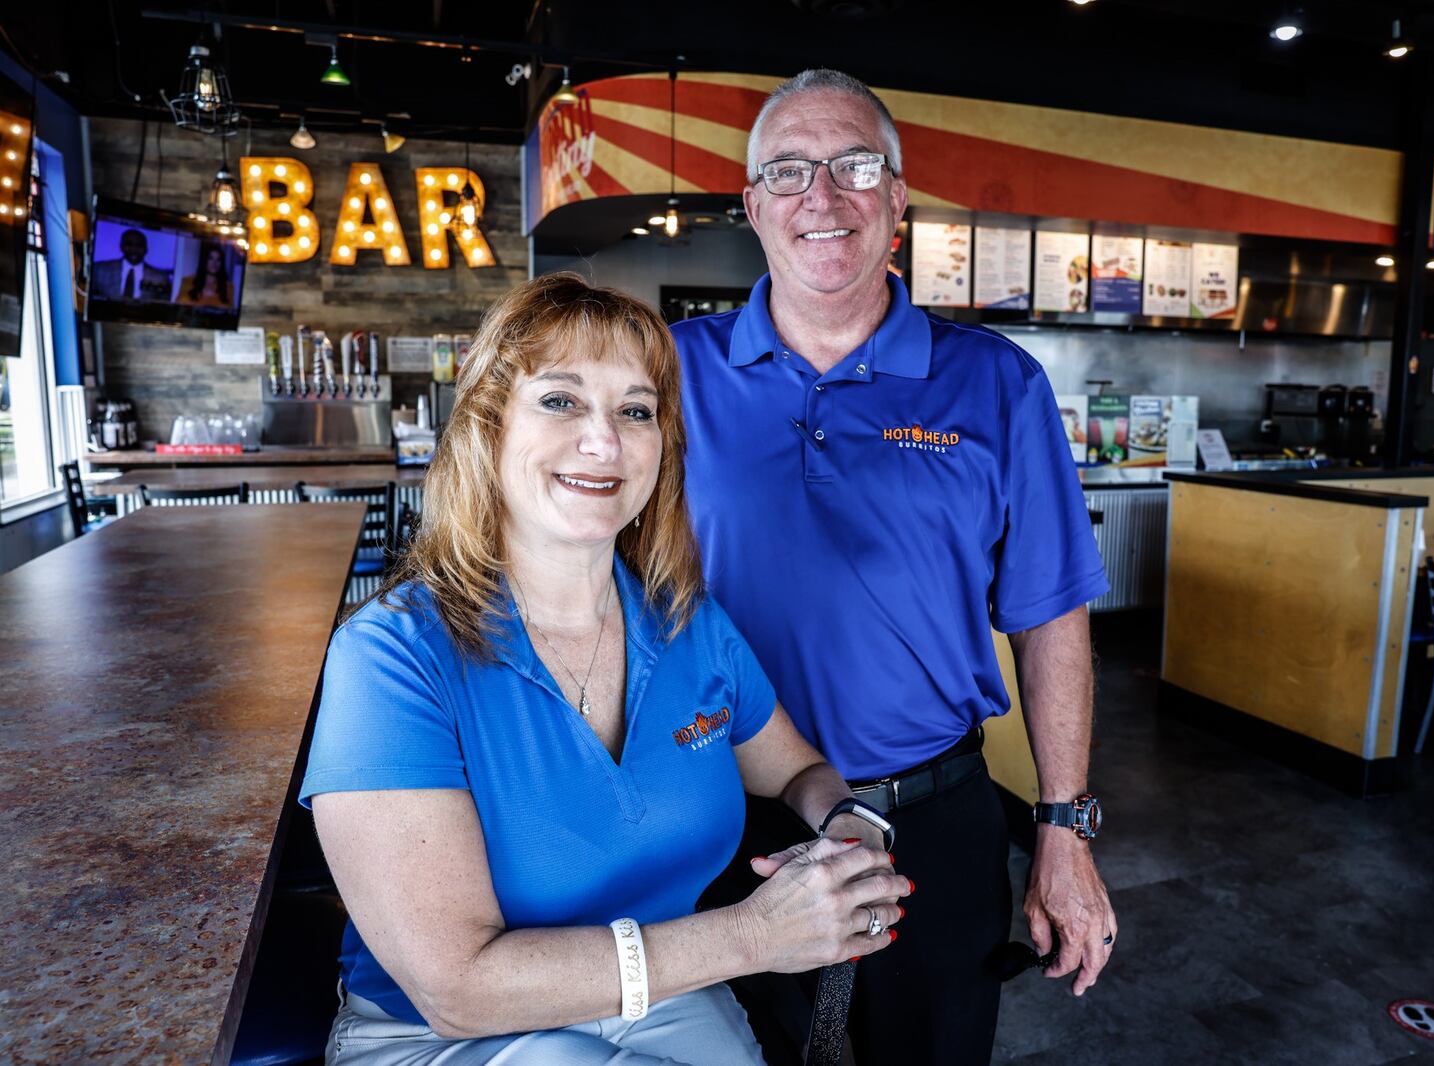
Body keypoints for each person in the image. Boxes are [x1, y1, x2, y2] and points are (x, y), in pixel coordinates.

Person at [301, 272, 909, 1065]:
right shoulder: (391, 658)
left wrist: (845, 827)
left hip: (667, 1000)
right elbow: (456, 989)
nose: (606, 441)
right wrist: (755, 936)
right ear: (487, 426)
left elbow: (796, 769)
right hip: (444, 1033)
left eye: (635, 410)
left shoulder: (690, 624)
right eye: (560, 401)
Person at [674, 69, 1117, 1065]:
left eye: (853, 166)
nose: (821, 198)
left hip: (935, 822)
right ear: (751, 207)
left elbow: (1051, 620)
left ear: (898, 198)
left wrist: (1062, 829)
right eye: (787, 171)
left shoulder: (998, 384)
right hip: (719, 821)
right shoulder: (666, 372)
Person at [91, 228, 172, 301]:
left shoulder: (160, 277)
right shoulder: (100, 270)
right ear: (121, 247)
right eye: (129, 244)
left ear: (146, 249)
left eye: (139, 245)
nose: (134, 249)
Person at [176, 241, 232, 307]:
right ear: (205, 260)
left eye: (218, 259)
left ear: (222, 263)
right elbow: (179, 306)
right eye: (210, 258)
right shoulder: (188, 281)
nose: (214, 263)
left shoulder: (228, 287)